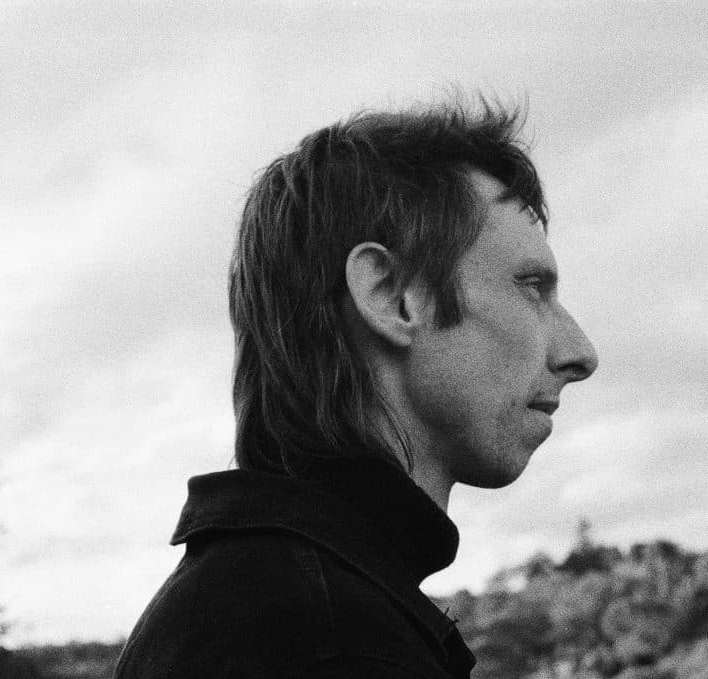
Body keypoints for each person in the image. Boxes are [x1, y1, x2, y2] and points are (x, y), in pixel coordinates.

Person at [113, 97, 598, 679]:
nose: (580, 353)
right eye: (531, 286)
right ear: (391, 297)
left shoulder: (245, 599)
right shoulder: (337, 642)